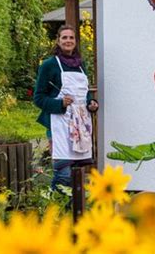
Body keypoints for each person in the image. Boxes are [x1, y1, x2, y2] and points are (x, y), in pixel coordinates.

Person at [34, 25, 99, 190]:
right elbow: (38, 98)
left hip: (80, 124)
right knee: (63, 171)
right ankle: (59, 206)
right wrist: (59, 104)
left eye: (71, 38)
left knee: (77, 170)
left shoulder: (80, 65)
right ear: (58, 41)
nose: (68, 41)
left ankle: (74, 207)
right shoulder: (49, 65)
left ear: (75, 42)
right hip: (59, 122)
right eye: (64, 37)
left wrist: (90, 103)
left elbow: (83, 94)